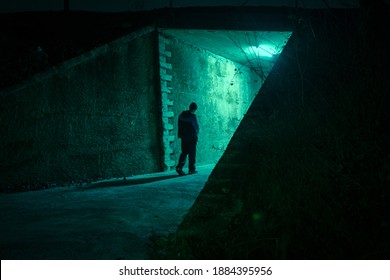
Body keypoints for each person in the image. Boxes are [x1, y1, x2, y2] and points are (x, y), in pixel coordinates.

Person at [176, 102, 199, 175]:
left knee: (184, 152)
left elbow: (179, 125)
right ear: (195, 109)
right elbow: (196, 128)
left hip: (184, 137)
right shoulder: (193, 117)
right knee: (192, 153)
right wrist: (196, 134)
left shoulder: (181, 115)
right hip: (192, 138)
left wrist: (180, 135)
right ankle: (191, 169)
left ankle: (179, 167)